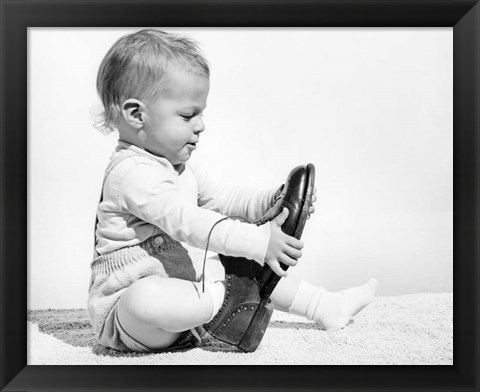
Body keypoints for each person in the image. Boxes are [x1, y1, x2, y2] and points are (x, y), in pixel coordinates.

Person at [87, 28, 378, 353]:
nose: (201, 125)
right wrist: (258, 242)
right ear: (136, 114)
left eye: (201, 113)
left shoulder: (180, 167)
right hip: (134, 321)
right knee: (147, 297)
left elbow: (222, 199)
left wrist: (271, 203)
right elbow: (189, 221)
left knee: (238, 261)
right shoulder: (131, 174)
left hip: (188, 301)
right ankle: (227, 299)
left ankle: (324, 305)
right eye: (187, 115)